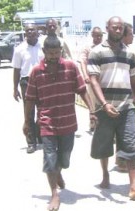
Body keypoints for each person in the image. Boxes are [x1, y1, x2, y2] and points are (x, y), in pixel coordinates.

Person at [23, 36, 96, 211]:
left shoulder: (71, 67)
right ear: (44, 52)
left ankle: (59, 173)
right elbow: (30, 99)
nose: (54, 56)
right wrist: (27, 122)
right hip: (47, 122)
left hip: (68, 122)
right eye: (50, 53)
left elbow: (82, 90)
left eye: (57, 53)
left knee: (64, 158)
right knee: (49, 158)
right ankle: (54, 193)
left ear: (61, 52)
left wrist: (92, 111)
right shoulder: (36, 72)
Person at [88, 16, 135, 200]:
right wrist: (104, 104)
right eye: (115, 27)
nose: (118, 30)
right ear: (108, 28)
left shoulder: (130, 54)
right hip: (104, 107)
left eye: (121, 28)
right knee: (105, 144)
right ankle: (106, 174)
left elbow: (134, 81)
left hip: (126, 107)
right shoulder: (97, 52)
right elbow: (93, 80)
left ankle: (134, 186)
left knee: (131, 144)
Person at [115, 22, 135, 172]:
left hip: (131, 98)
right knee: (124, 131)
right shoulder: (119, 54)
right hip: (118, 98)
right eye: (131, 34)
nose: (133, 36)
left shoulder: (132, 54)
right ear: (124, 36)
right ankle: (121, 160)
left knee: (127, 130)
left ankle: (122, 160)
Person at [13, 23, 44, 154]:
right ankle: (31, 142)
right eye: (28, 30)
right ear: (25, 33)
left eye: (33, 29)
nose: (30, 32)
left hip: (43, 81)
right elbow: (16, 69)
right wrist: (15, 88)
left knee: (43, 112)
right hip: (26, 82)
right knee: (29, 113)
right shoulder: (19, 49)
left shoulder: (44, 46)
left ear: (37, 31)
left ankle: (41, 136)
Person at [78, 26, 103, 133]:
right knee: (92, 102)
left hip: (103, 78)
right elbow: (83, 62)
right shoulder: (88, 48)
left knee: (103, 101)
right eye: (96, 35)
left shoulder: (105, 47)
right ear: (92, 35)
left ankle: (102, 123)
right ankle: (93, 123)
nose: (98, 38)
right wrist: (85, 76)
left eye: (100, 36)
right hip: (92, 79)